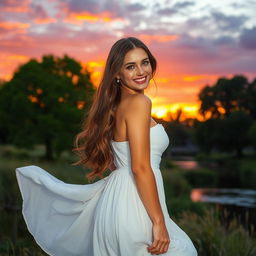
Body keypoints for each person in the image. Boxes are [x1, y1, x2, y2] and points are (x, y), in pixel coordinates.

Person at [15, 37, 198, 256]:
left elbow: (119, 163)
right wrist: (158, 222)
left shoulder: (116, 108)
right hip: (134, 207)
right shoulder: (140, 103)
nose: (141, 71)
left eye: (145, 62)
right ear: (117, 74)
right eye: (130, 66)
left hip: (118, 203)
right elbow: (140, 167)